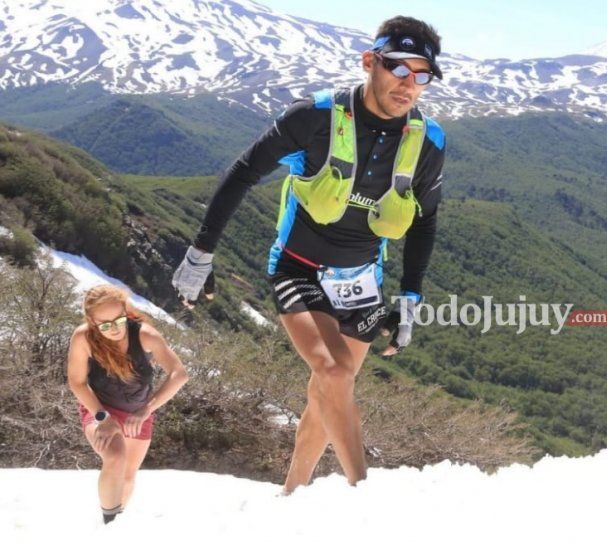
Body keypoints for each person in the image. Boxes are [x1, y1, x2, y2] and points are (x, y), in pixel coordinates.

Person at [171, 16, 446, 493]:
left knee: (329, 388)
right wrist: (202, 252)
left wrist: (410, 298)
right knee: (335, 371)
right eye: (399, 68)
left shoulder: (428, 140)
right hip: (299, 267)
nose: (409, 85)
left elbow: (425, 219)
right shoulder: (315, 117)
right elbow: (244, 172)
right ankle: (364, 493)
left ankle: (292, 492)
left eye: (422, 76)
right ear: (370, 62)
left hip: (363, 279)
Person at [66, 285, 190, 524]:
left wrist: (146, 410)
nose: (114, 329)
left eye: (119, 320)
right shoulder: (83, 337)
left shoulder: (145, 335)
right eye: (104, 325)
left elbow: (179, 374)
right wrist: (103, 418)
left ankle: (116, 522)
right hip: (100, 408)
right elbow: (77, 383)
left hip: (138, 411)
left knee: (128, 475)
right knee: (115, 457)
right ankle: (108, 526)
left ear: (125, 312)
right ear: (91, 321)